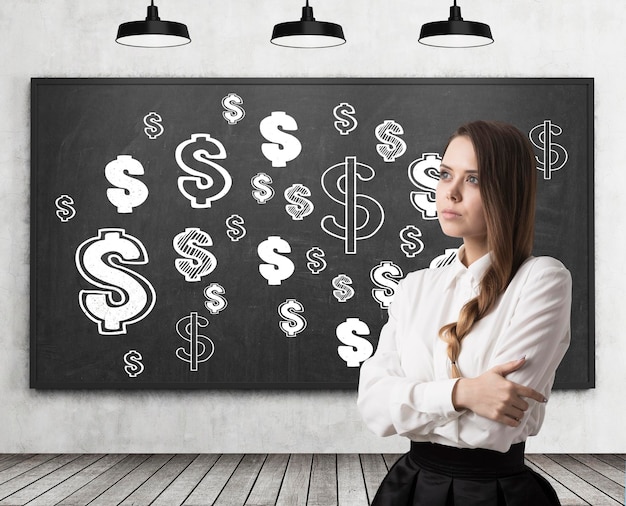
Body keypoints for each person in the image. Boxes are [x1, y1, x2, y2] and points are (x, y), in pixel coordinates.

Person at [357, 120, 571, 506]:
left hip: (494, 493)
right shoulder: (415, 287)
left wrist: (413, 402)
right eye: (444, 174)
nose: (449, 193)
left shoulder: (542, 279)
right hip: (408, 488)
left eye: (473, 179)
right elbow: (374, 408)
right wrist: (463, 393)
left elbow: (492, 429)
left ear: (507, 192)